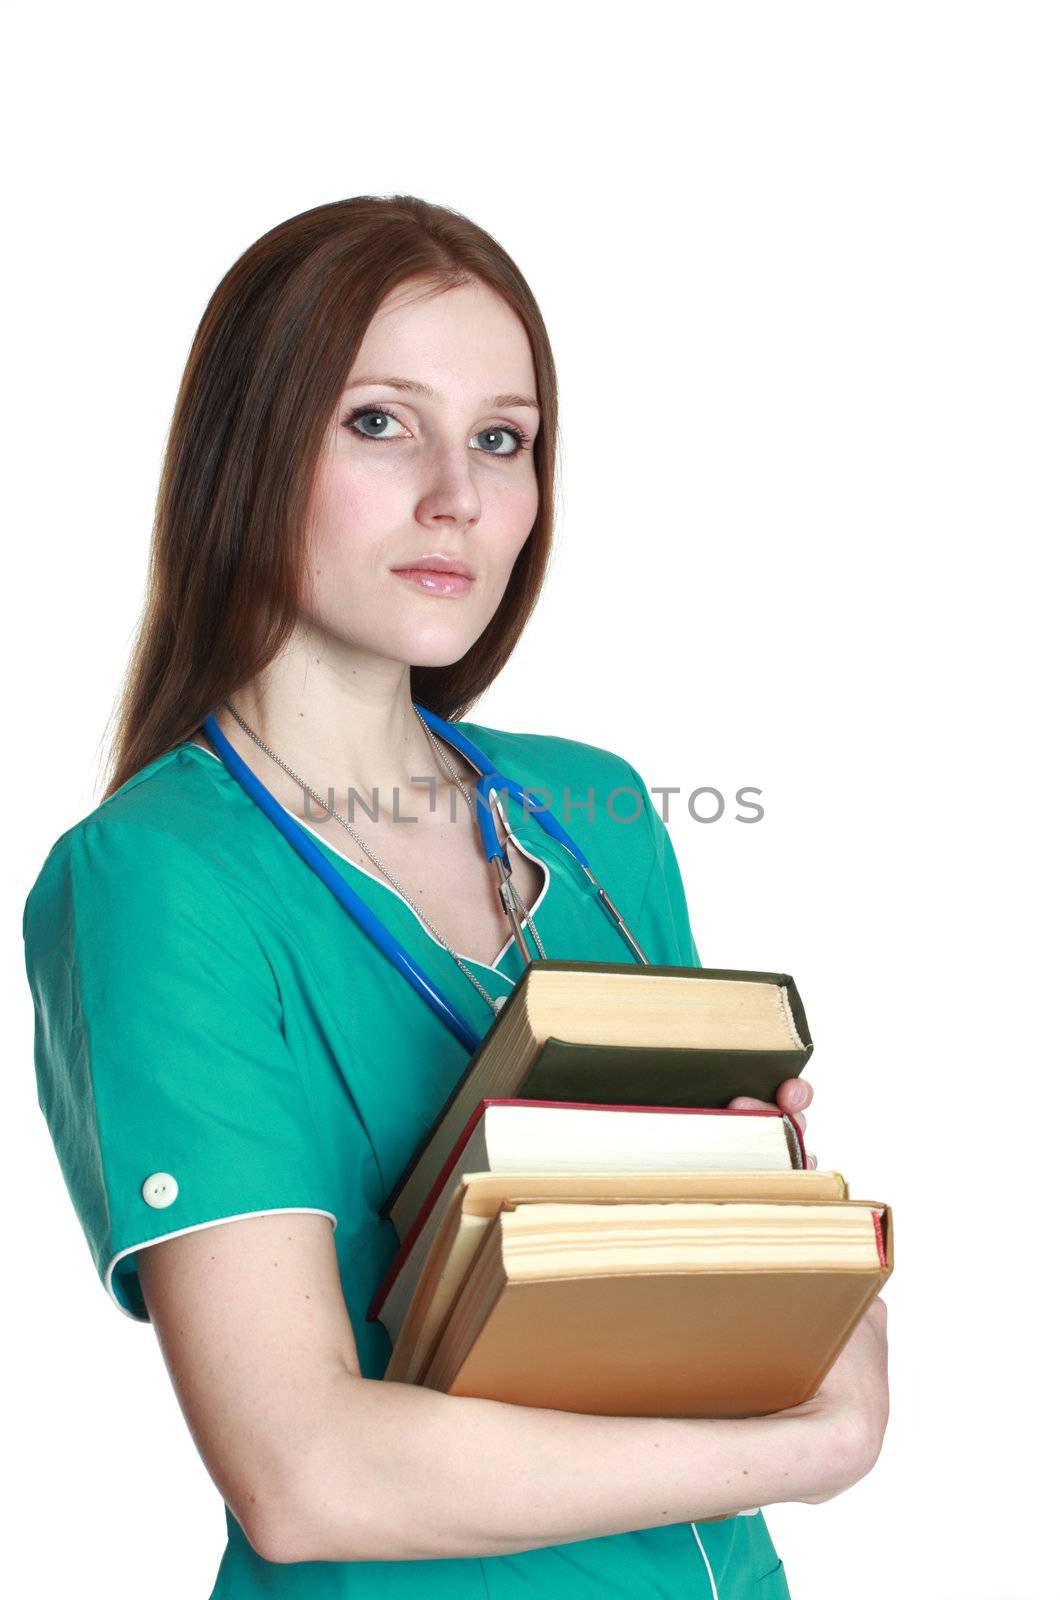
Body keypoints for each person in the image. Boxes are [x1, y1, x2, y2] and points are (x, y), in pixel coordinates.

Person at [22, 195, 889, 1599]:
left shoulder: (595, 812)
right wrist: (816, 1440)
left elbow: (757, 1274)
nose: (457, 496)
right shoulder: (159, 878)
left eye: (502, 438)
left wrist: (765, 1206)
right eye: (381, 422)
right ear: (250, 449)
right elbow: (305, 1476)